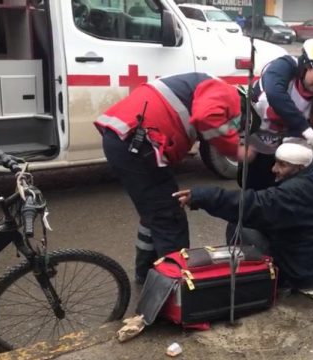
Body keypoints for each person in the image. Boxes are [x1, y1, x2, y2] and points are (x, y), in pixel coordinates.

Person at [95, 73, 242, 284]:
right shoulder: (227, 92)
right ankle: (175, 287)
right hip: (137, 143)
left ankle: (146, 275)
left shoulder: (196, 83)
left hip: (123, 139)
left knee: (154, 213)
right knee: (169, 218)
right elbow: (206, 118)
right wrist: (238, 151)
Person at [240, 33, 313, 271]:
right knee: (256, 203)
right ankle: (257, 261)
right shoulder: (283, 67)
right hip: (255, 148)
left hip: (285, 147)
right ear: (307, 64)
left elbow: (306, 138)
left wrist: (303, 147)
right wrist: (304, 129)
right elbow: (274, 93)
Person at [174, 141, 313, 289]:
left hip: (303, 273)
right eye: (276, 163)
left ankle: (256, 279)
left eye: (282, 165)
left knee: (239, 225)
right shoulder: (312, 177)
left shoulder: (296, 190)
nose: (274, 169)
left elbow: (252, 204)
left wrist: (203, 196)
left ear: (299, 168)